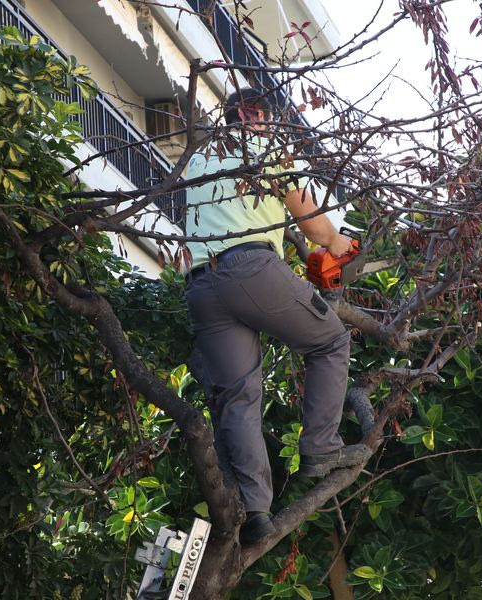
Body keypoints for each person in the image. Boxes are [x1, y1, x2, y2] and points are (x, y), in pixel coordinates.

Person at [183, 89, 367, 544]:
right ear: (253, 115)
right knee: (330, 341)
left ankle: (255, 513)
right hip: (249, 268)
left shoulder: (199, 158)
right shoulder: (263, 146)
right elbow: (313, 223)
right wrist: (337, 245)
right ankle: (321, 448)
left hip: (201, 287)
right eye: (268, 117)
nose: (271, 124)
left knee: (240, 397)